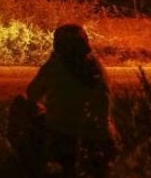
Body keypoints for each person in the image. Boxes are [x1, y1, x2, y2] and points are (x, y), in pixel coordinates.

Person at [24, 24, 119, 177]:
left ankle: (28, 163)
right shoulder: (97, 67)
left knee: (22, 105)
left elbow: (31, 93)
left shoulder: (54, 66)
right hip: (100, 135)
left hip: (62, 133)